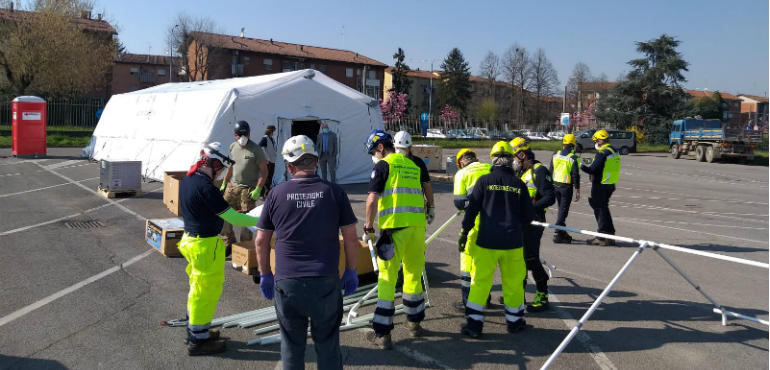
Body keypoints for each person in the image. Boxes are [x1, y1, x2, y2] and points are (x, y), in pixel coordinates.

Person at [255, 135, 359, 370]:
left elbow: (261, 241)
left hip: (288, 283)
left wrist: (265, 274)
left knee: (292, 347)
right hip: (325, 281)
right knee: (328, 345)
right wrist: (351, 271)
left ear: (289, 166)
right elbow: (351, 237)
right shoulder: (334, 192)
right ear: (314, 161)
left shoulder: (276, 194)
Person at [178, 142, 260, 356]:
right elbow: (232, 218)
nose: (223, 173)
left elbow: (209, 209)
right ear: (214, 164)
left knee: (197, 287)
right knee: (205, 291)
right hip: (204, 246)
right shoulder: (206, 187)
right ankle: (198, 340)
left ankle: (198, 329)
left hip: (191, 240)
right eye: (222, 168)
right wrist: (261, 218)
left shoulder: (189, 180)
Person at [459, 141, 534, 338]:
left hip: (486, 241)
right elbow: (528, 216)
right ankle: (515, 322)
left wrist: (464, 233)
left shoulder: (483, 181)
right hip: (513, 243)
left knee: (480, 282)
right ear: (511, 161)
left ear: (493, 159)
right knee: (514, 283)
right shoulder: (519, 184)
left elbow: (471, 210)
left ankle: (474, 325)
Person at [362, 129, 426, 349]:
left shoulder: (383, 165)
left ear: (381, 147)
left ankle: (382, 334)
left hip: (394, 229)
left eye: (373, 151)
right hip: (417, 228)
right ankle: (414, 324)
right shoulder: (413, 164)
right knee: (413, 276)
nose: (374, 155)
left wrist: (368, 226)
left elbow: (372, 199)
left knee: (387, 279)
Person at [513, 146, 555, 312]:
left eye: (516, 159)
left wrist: (531, 209)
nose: (514, 163)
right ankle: (518, 295)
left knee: (530, 259)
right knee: (518, 259)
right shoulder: (521, 173)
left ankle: (542, 295)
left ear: (524, 157)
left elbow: (550, 197)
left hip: (534, 222)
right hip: (520, 222)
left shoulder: (539, 170)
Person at [219, 120, 268, 253]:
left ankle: (245, 247)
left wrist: (258, 189)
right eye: (239, 135)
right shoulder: (232, 147)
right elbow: (230, 167)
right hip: (233, 187)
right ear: (235, 135)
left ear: (249, 134)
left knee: (247, 221)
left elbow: (264, 171)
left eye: (245, 134)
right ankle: (228, 242)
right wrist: (224, 182)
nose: (242, 138)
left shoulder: (256, 150)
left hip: (248, 190)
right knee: (223, 214)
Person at [452, 148, 491, 310]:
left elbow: (460, 203)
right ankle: (485, 298)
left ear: (461, 162)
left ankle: (469, 302)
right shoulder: (490, 168)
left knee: (468, 263)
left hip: (474, 226)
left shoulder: (462, 174)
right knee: (485, 263)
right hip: (494, 225)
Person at [580, 129, 620, 246]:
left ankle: (602, 236)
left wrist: (580, 165)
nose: (595, 143)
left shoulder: (602, 153)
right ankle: (610, 234)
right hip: (610, 184)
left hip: (600, 185)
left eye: (596, 141)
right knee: (604, 209)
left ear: (599, 141)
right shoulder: (613, 150)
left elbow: (593, 169)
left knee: (600, 209)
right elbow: (604, 165)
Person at [393, 131, 436, 224]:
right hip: (397, 214)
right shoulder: (389, 163)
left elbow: (426, 185)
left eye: (403, 148)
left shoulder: (418, 163)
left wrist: (431, 206)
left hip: (413, 214)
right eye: (399, 148)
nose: (401, 151)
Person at [549, 133, 581, 244]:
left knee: (560, 209)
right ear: (572, 145)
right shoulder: (572, 158)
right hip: (565, 187)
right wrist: (577, 189)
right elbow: (575, 175)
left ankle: (562, 232)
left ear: (563, 144)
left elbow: (550, 170)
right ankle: (558, 232)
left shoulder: (555, 154)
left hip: (555, 185)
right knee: (563, 211)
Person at [258, 125, 277, 197]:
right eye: (273, 131)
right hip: (267, 162)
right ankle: (261, 193)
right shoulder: (265, 139)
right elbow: (259, 148)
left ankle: (267, 193)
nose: (274, 133)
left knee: (270, 177)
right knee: (265, 177)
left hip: (272, 161)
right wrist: (265, 159)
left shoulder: (272, 139)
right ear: (270, 131)